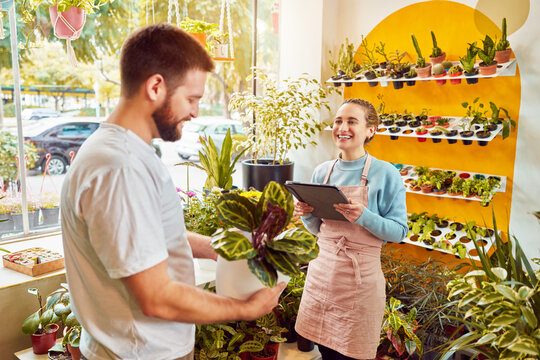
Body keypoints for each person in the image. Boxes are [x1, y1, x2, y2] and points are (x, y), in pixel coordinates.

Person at [60, 24, 285, 360]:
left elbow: (147, 239)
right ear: (155, 86)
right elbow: (156, 297)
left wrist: (215, 248)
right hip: (140, 352)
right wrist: (244, 309)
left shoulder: (121, 151)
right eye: (191, 98)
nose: (195, 112)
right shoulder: (120, 167)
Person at [293, 98, 408, 360]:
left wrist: (364, 216)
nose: (342, 127)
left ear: (371, 130)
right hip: (323, 274)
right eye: (338, 120)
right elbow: (317, 230)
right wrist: (306, 214)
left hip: (359, 281)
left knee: (352, 354)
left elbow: (399, 231)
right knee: (325, 352)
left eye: (352, 121)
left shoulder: (385, 173)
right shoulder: (323, 171)